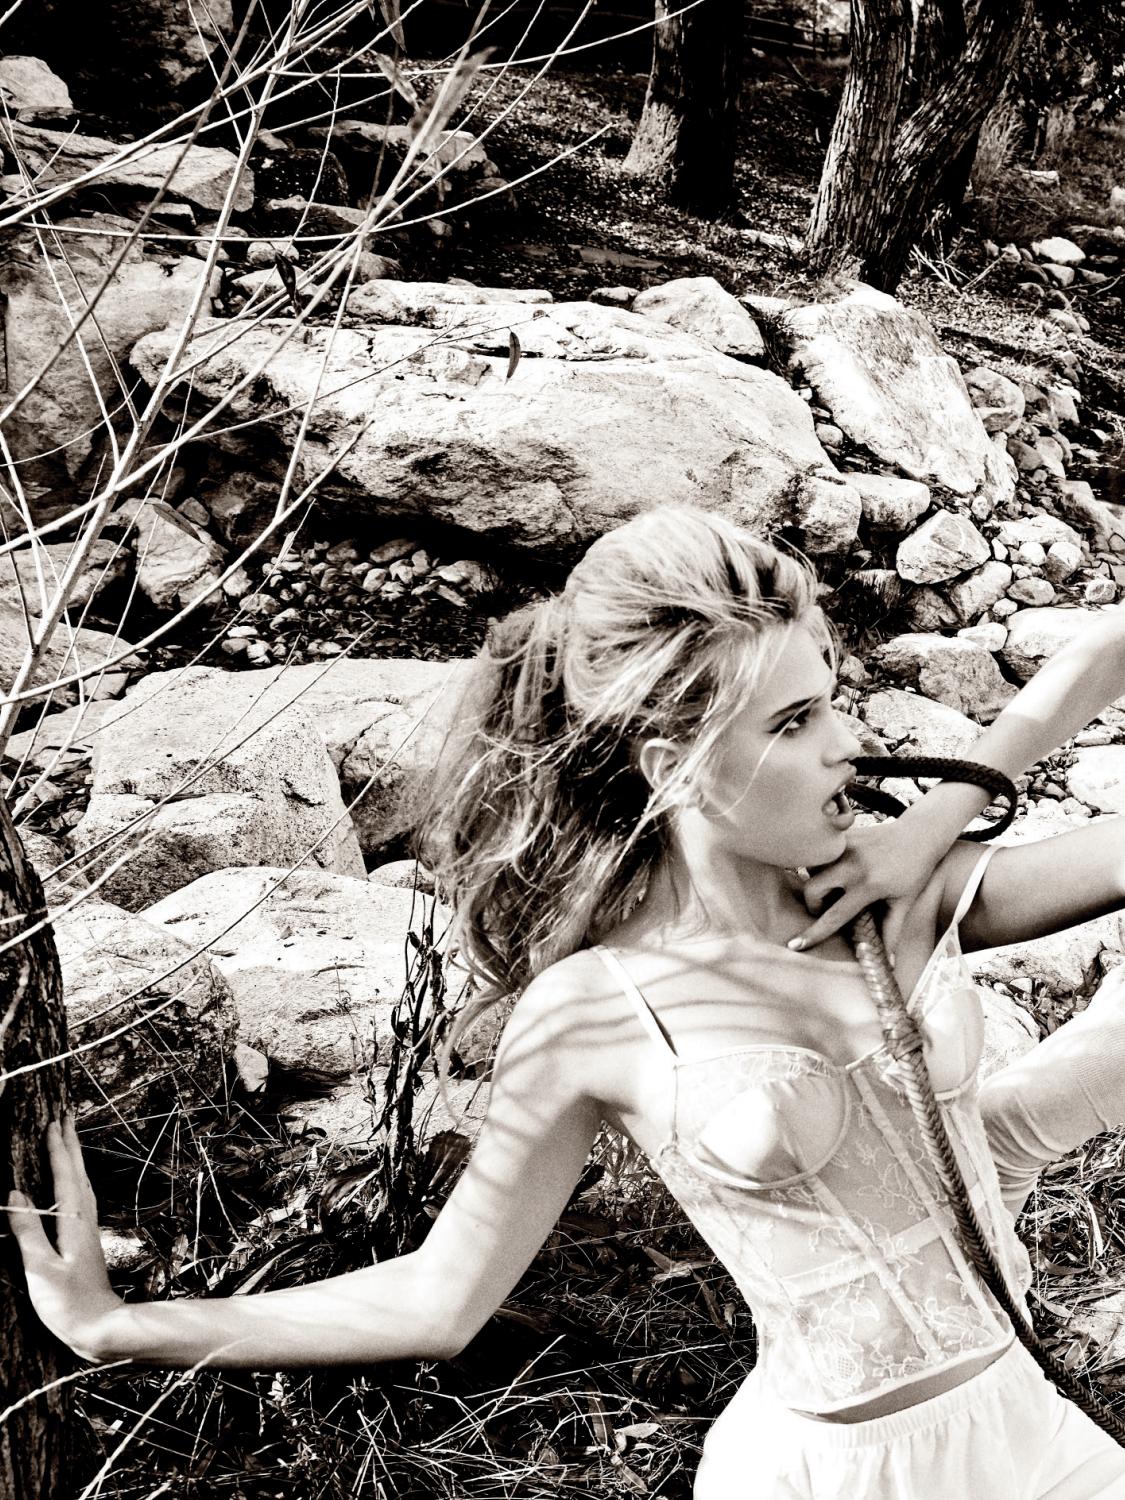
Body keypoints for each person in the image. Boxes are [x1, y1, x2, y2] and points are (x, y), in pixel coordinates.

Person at [10, 504, 1125, 1499]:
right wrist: (119, 1326)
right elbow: (439, 1300)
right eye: (791, 724)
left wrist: (939, 816)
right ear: (672, 764)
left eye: (829, 701)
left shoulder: (902, 890)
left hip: (1033, 1429)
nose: (847, 746)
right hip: (826, 1475)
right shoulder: (594, 1010)